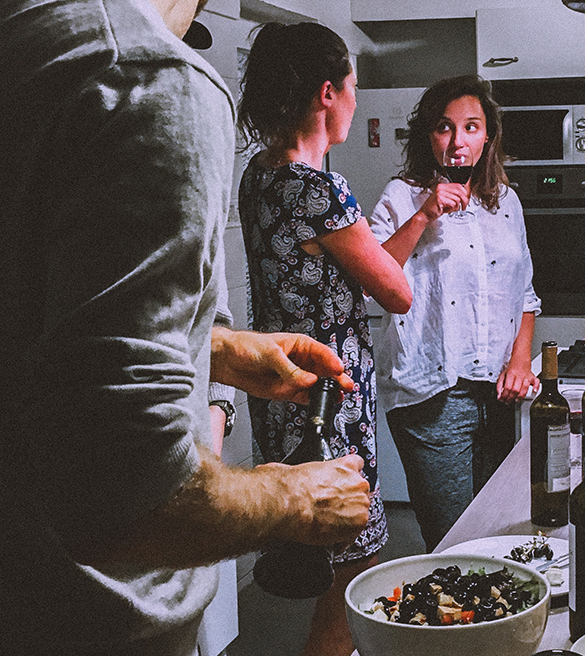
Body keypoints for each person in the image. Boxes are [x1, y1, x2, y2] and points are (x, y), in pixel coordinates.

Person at [0, 1, 373, 654]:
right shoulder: (147, 77)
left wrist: (216, 349)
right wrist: (296, 500)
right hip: (85, 620)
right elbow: (128, 494)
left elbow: (35, 317)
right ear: (326, 92)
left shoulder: (23, 45)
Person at [236, 21, 412, 656]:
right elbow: (396, 291)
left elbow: (353, 274)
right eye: (353, 87)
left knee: (324, 562)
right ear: (326, 93)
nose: (358, 100)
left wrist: (417, 218)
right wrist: (419, 217)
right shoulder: (319, 190)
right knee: (351, 571)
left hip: (282, 389)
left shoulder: (260, 177)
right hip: (330, 397)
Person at [367, 75, 541, 552]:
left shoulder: (506, 201)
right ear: (430, 136)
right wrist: (424, 215)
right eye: (445, 128)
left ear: (488, 136)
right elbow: (376, 281)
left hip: (498, 397)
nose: (458, 141)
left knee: (499, 536)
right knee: (454, 544)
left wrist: (520, 362)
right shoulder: (401, 196)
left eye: (471, 127)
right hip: (432, 395)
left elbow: (524, 291)